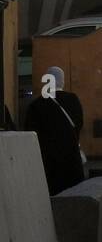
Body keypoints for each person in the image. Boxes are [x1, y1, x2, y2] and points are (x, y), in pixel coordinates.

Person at [24, 66, 86, 195]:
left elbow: (30, 133)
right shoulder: (73, 100)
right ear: (62, 81)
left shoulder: (37, 105)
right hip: (72, 162)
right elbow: (79, 124)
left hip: (49, 165)